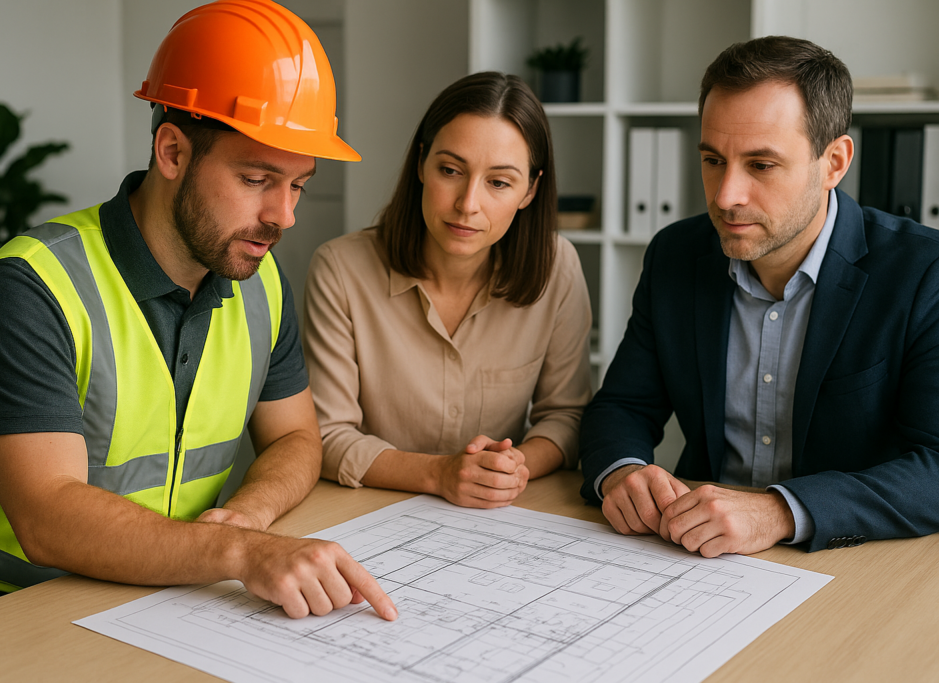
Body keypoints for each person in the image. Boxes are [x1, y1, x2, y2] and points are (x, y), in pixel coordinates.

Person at [0, 0, 396, 624]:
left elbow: (297, 438)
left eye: (298, 184)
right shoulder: (28, 288)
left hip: (164, 593)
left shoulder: (260, 279)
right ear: (172, 152)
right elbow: (47, 518)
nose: (285, 216)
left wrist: (248, 516)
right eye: (257, 179)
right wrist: (239, 550)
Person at [580, 35, 939, 556]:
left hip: (852, 566)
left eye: (761, 165)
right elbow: (621, 407)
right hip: (690, 554)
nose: (726, 196)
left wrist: (780, 511)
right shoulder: (675, 255)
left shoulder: (923, 271)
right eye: (712, 160)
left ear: (834, 162)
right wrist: (623, 472)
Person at [304, 72, 592, 508]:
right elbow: (325, 434)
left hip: (498, 518)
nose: (468, 203)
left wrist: (512, 468)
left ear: (530, 190)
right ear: (421, 164)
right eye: (451, 170)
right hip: (367, 512)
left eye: (499, 182)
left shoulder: (558, 267)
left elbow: (567, 416)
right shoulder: (340, 270)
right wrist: (439, 474)